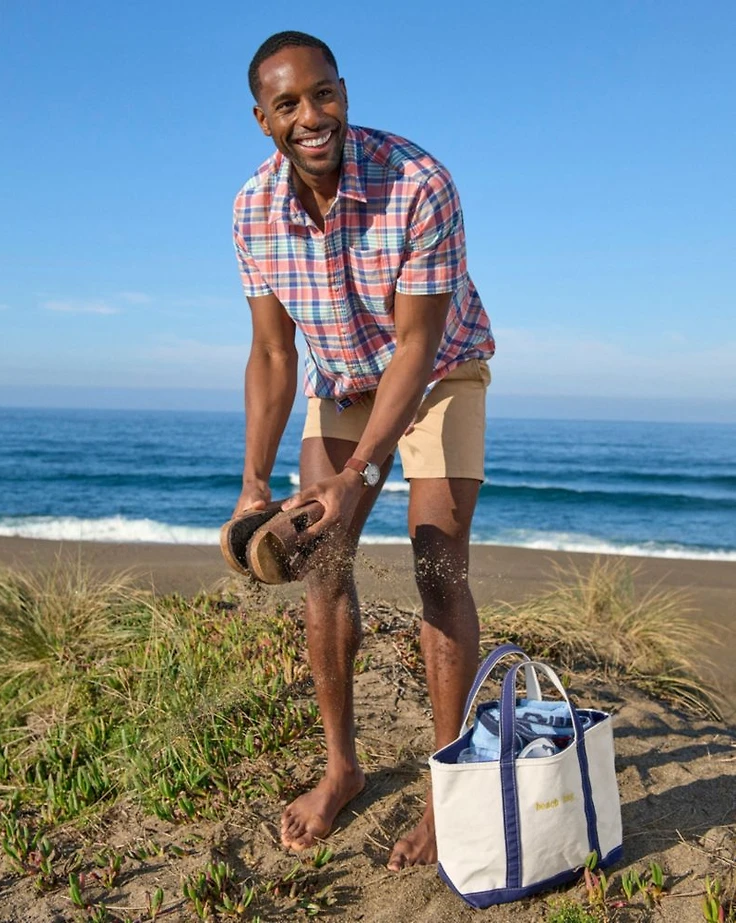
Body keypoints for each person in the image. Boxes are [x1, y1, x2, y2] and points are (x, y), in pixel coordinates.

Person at [232, 30, 494, 871]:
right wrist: (253, 483)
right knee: (323, 561)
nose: (311, 116)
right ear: (264, 119)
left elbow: (416, 348)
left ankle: (447, 796)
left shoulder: (419, 183)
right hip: (343, 380)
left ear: (343, 93)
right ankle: (342, 767)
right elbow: (273, 354)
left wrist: (359, 473)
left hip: (439, 373)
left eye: (324, 94)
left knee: (437, 564)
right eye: (288, 104)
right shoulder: (252, 211)